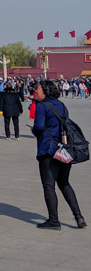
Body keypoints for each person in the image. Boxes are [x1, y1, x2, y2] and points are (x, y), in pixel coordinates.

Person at [32, 79, 85, 230]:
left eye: (39, 90)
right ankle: (79, 217)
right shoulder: (61, 105)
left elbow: (39, 127)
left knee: (49, 185)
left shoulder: (42, 107)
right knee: (64, 183)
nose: (37, 92)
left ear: (45, 91)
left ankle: (54, 220)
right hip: (64, 150)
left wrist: (34, 131)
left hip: (48, 150)